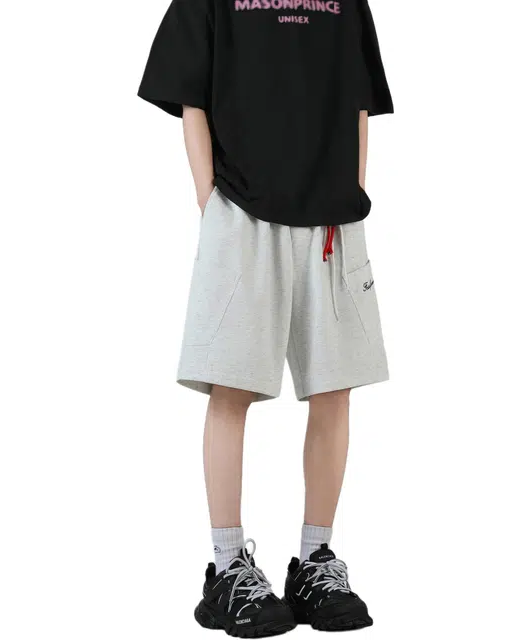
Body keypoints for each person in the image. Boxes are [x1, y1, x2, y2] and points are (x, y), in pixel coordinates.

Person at [138, 0, 393, 635]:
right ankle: (228, 568)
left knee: (334, 389)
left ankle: (315, 561)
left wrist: (354, 190)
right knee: (231, 388)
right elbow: (190, 95)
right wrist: (210, 203)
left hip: (332, 216)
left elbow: (359, 100)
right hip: (242, 209)